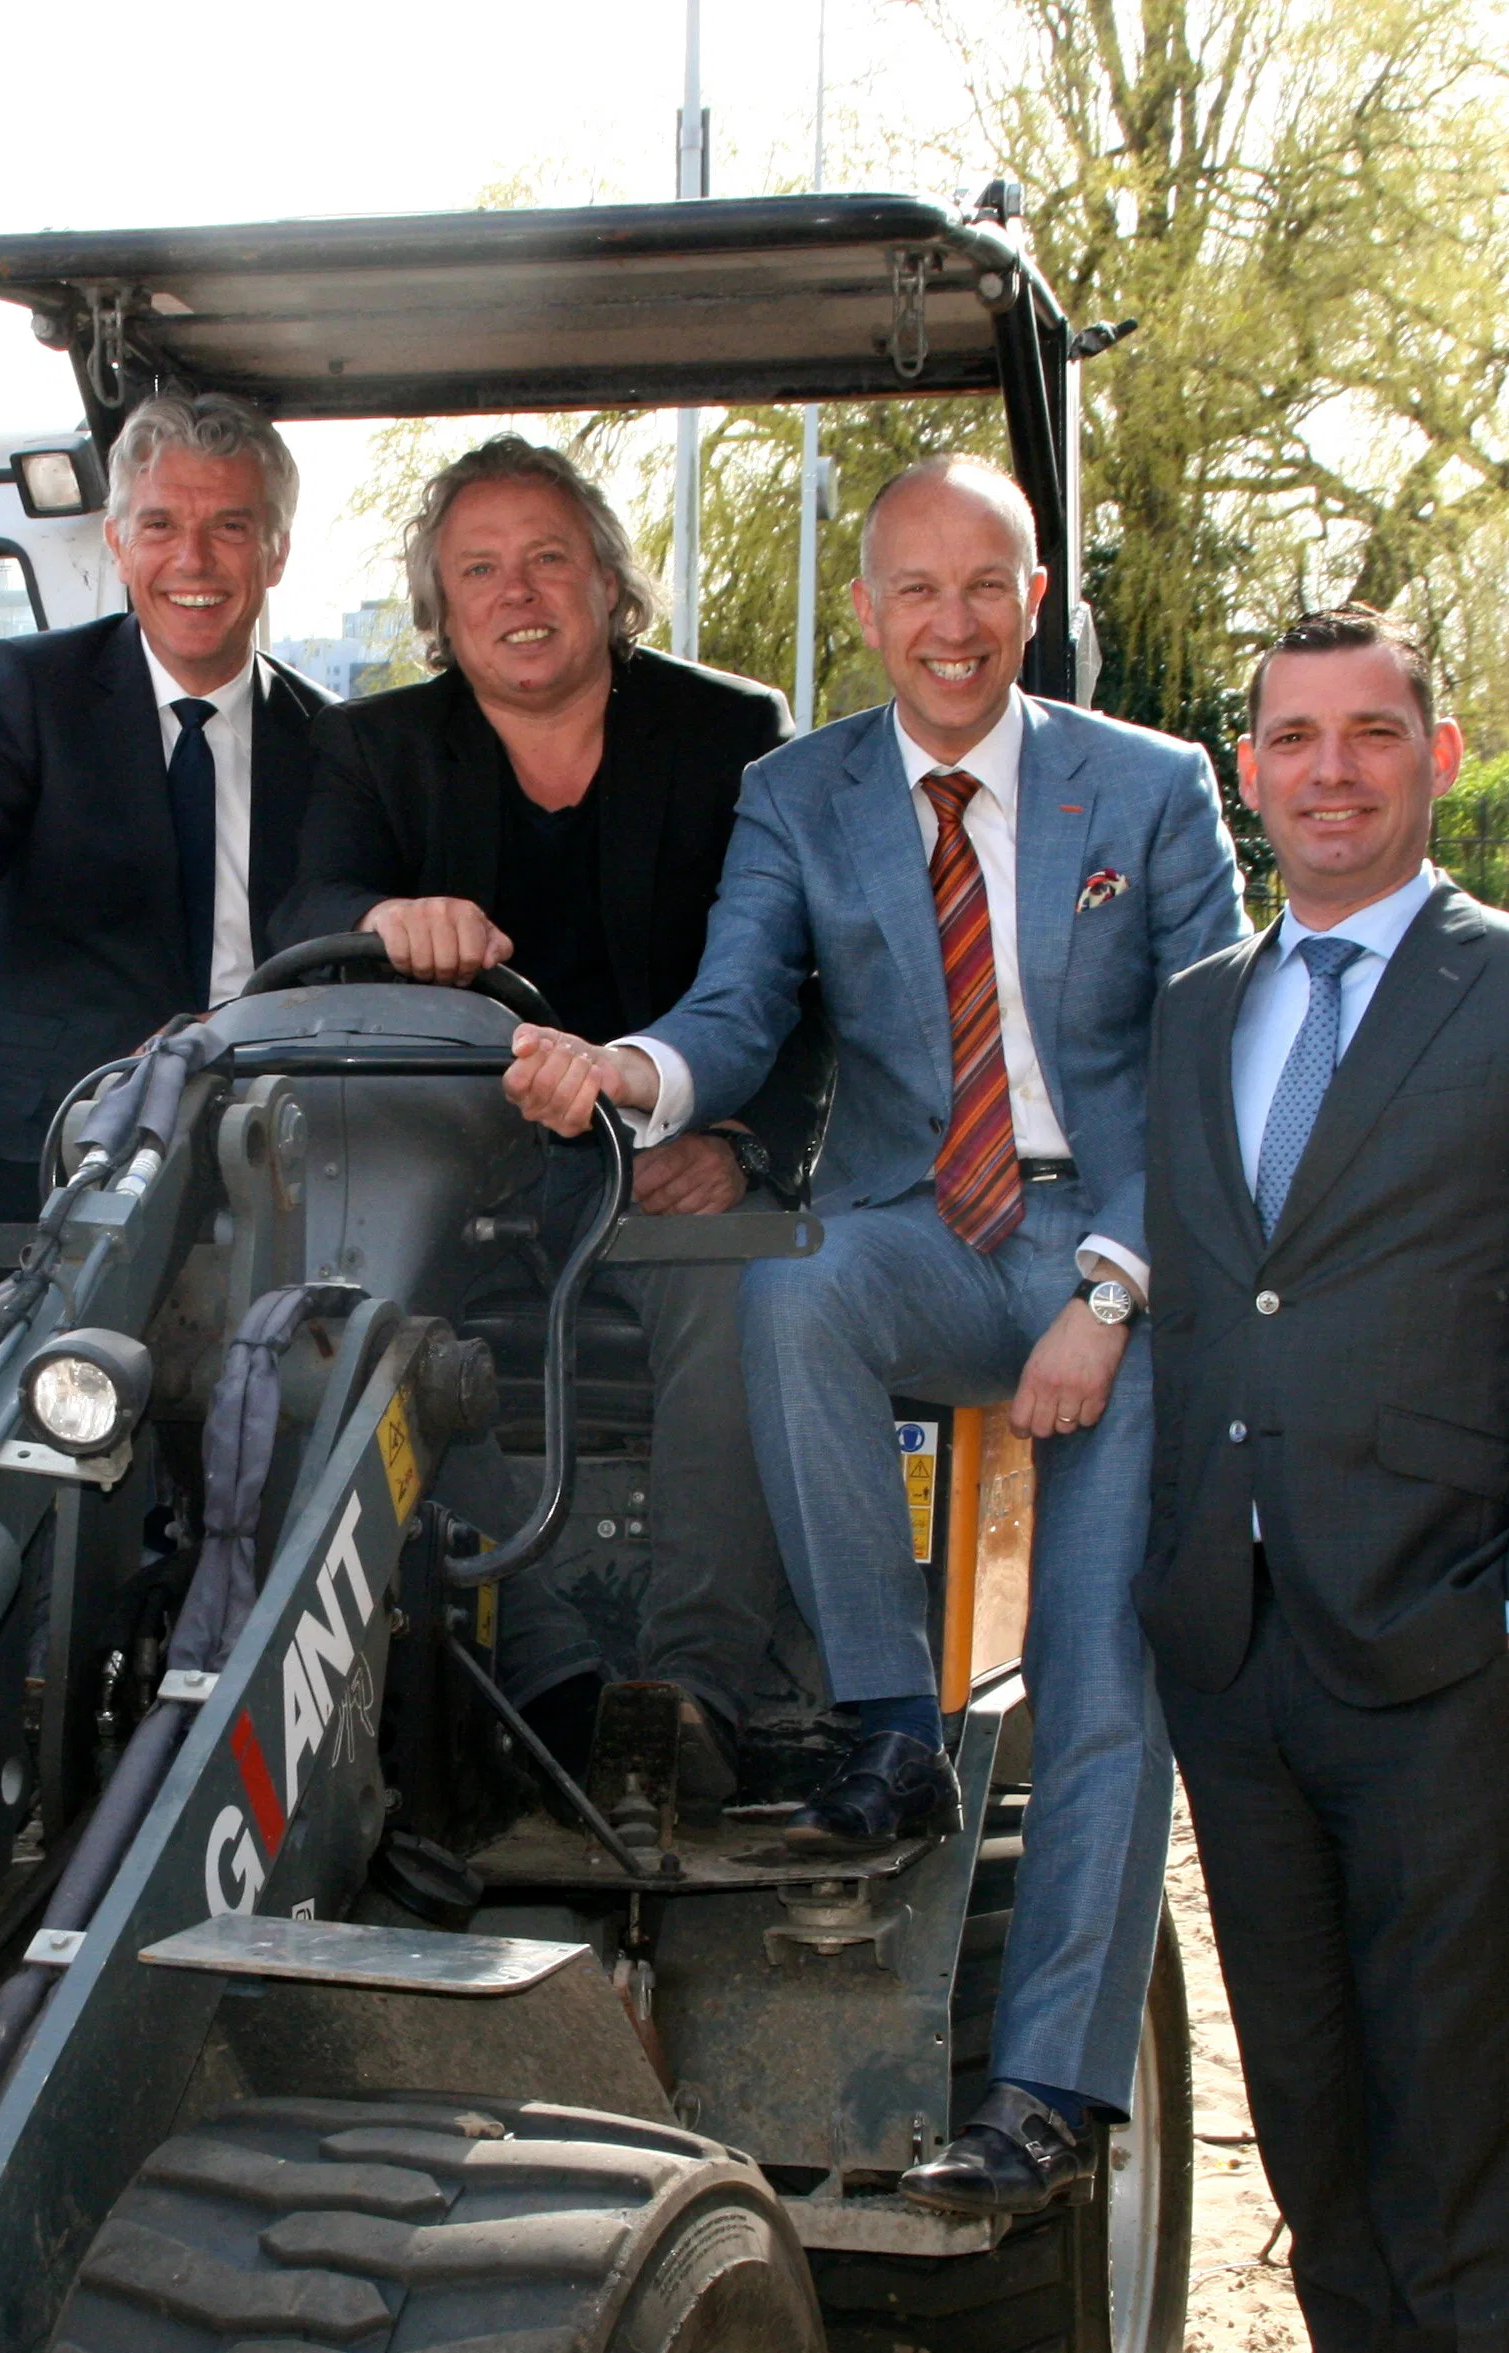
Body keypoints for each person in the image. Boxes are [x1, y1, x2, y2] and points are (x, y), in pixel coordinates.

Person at [500, 455, 1246, 2220]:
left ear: (1034, 597)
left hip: (1113, 1246)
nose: (950, 623)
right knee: (793, 1280)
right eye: (914, 589)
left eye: (982, 586)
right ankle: (883, 1721)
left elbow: (1213, 1074)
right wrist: (633, 1073)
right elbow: (738, 1008)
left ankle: (1048, 2088)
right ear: (866, 614)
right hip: (924, 1230)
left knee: (1092, 1683)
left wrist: (1113, 1291)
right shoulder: (803, 794)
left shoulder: (1148, 792)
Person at [1136, 605, 1509, 2353]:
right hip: (1241, 1649)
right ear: (1251, 768)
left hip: (1454, 1656)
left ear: (1436, 759)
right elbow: (1217, 1292)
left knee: (1450, 2133)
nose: (1333, 770)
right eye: (1296, 738)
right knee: (1314, 2122)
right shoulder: (1201, 1010)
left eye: (1374, 735)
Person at [272, 432, 800, 1780]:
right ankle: (550, 1671)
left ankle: (695, 1690)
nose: (519, 594)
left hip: (663, 1151)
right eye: (480, 570)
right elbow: (309, 909)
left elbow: (811, 968)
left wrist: (742, 1142)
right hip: (460, 1166)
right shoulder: (373, 748)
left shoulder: (731, 738)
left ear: (612, 587)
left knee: (747, 1294)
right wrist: (389, 918)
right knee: (369, 1314)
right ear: (441, 611)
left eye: (549, 559)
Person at [0, 393, 331, 1330]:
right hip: (28, 1148)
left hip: (255, 1153)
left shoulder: (336, 745)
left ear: (277, 552)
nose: (193, 560)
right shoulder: (32, 696)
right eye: (161, 526)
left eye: (230, 526)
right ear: (116, 540)